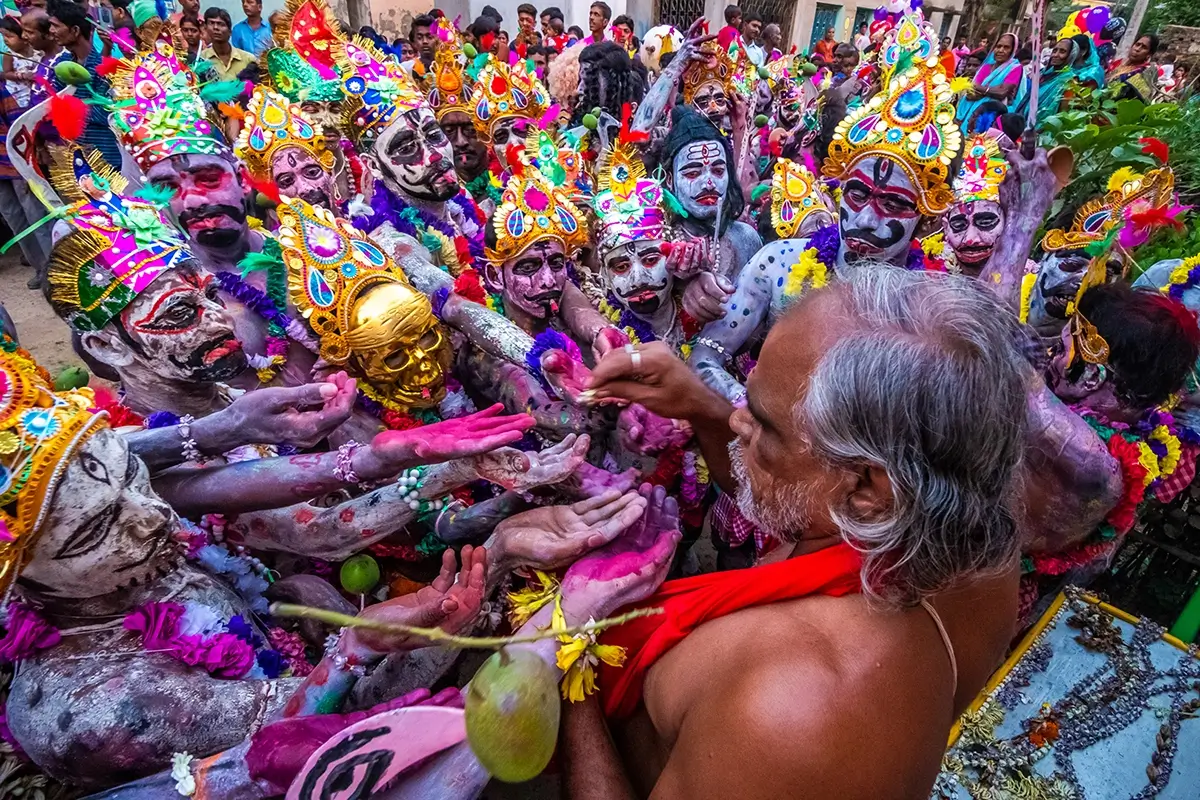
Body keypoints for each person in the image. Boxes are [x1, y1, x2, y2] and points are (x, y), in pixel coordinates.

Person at [566, 268, 1029, 800]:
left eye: (763, 422)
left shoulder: (795, 711)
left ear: (865, 486)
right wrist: (700, 405)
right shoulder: (967, 523)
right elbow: (792, 496)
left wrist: (571, 667)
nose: (738, 422)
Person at [46, 0, 123, 167]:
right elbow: (57, 104)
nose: (51, 31)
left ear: (75, 30)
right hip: (78, 159)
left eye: (56, 26)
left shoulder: (105, 66)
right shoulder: (62, 65)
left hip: (107, 156)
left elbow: (109, 112)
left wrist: (74, 109)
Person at [956, 32, 1025, 129]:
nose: (1001, 50)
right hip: (972, 112)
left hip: (993, 117)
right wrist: (990, 91)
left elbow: (1001, 92)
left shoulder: (1015, 68)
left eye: (1006, 47)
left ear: (1013, 50)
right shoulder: (986, 67)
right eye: (998, 46)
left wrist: (980, 89)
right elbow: (971, 94)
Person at [202, 7, 256, 81]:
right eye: (211, 23)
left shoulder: (248, 59)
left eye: (221, 24)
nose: (215, 27)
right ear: (205, 28)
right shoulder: (201, 60)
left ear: (230, 32)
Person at [1108, 33, 1159, 103]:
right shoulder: (1119, 63)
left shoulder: (1143, 73)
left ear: (1149, 55)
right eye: (1137, 44)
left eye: (1144, 47)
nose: (1137, 49)